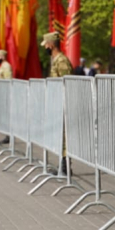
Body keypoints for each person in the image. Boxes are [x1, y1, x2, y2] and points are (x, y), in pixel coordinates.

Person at [42, 31, 73, 173]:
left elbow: (68, 83)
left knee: (65, 136)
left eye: (46, 45)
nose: (45, 47)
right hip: (59, 103)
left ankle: (65, 167)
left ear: (51, 45)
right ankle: (62, 165)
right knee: (61, 135)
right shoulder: (56, 60)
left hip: (65, 103)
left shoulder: (61, 61)